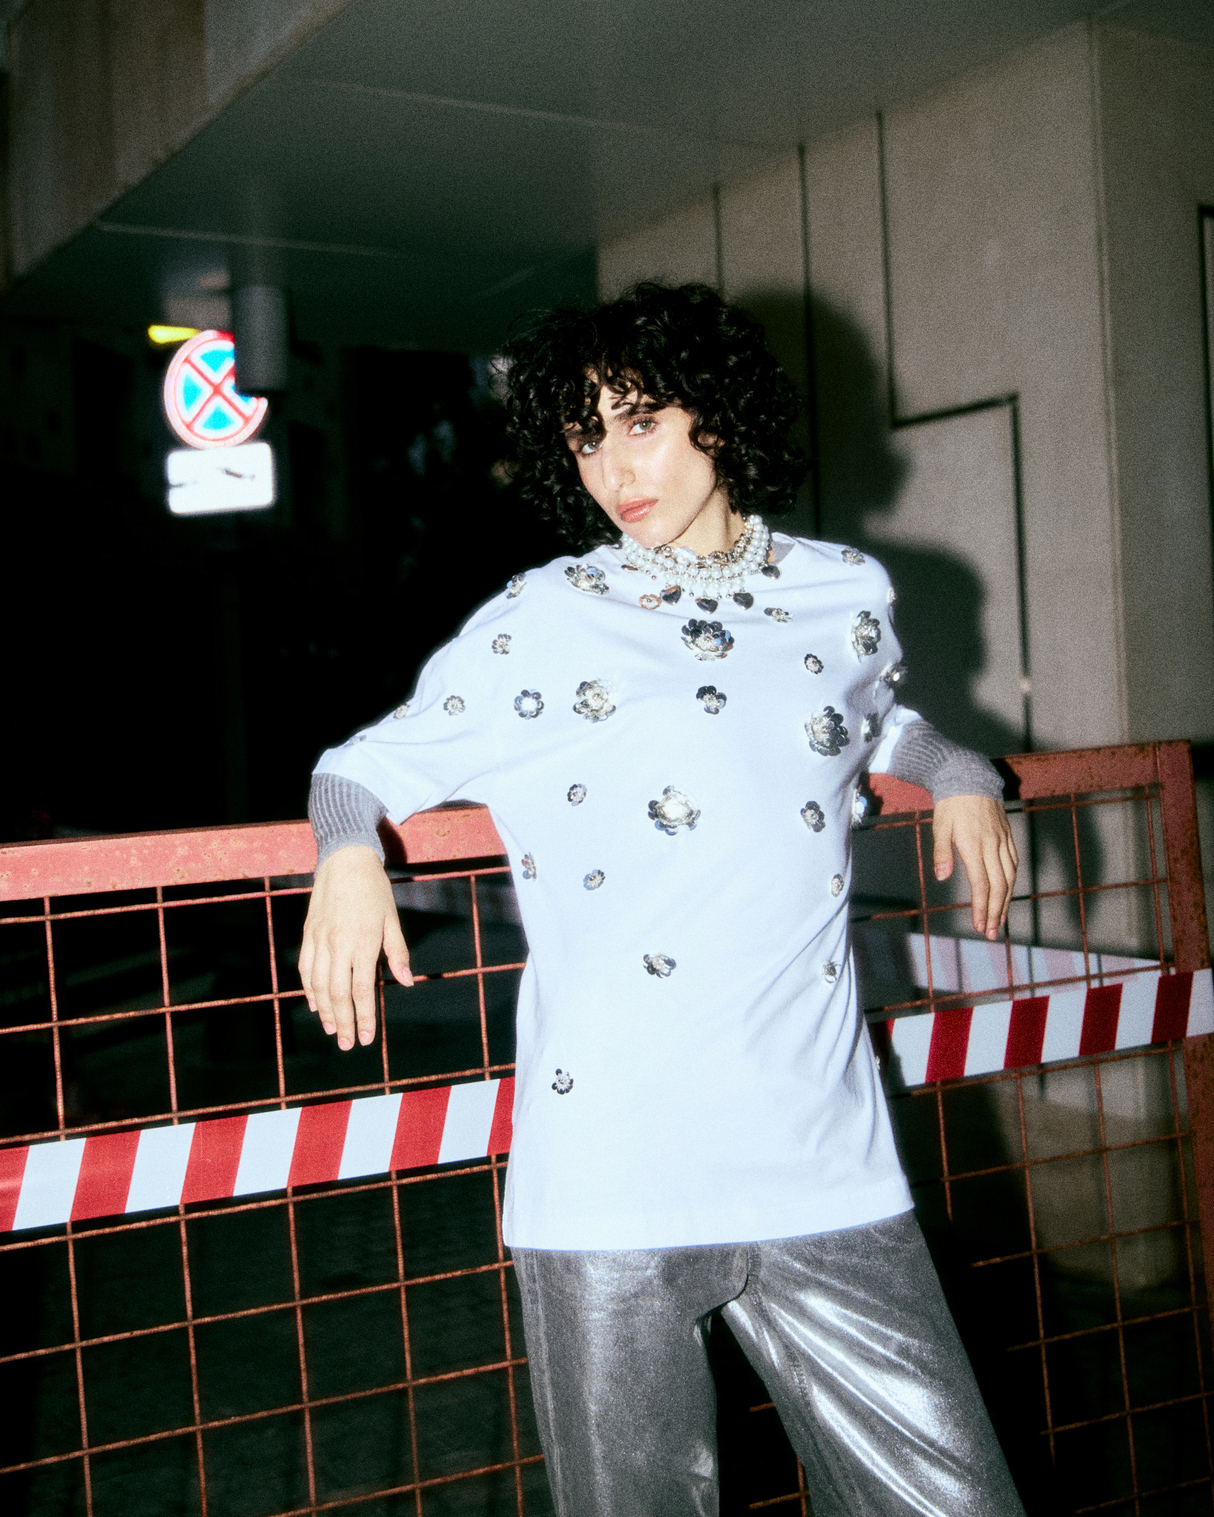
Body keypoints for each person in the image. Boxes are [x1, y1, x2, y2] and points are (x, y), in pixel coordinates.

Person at [299, 283, 1024, 1516]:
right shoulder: (544, 619)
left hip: (822, 1154)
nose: (613, 469)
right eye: (585, 438)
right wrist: (346, 855)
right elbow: (359, 767)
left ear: (718, 416)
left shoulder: (840, 590)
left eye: (639, 422)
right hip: (612, 1172)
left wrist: (957, 771)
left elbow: (868, 718)